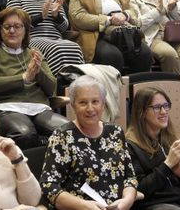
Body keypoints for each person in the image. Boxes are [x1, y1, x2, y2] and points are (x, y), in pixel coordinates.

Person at [40, 75, 137, 209]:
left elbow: (130, 178)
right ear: (73, 106)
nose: (90, 108)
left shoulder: (116, 132)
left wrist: (127, 200)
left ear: (103, 104)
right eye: (83, 103)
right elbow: (48, 186)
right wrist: (83, 205)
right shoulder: (62, 137)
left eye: (95, 101)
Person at [0, 7, 68, 150]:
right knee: (25, 134)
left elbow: (51, 88)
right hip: (8, 108)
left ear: (25, 30)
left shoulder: (34, 53)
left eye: (17, 26)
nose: (12, 31)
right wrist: (24, 78)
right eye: (7, 27)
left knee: (67, 131)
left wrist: (38, 72)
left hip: (40, 108)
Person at [69, 0, 152, 73]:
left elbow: (133, 10)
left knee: (145, 53)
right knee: (113, 56)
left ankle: (137, 89)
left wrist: (125, 15)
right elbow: (78, 17)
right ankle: (115, 90)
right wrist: (108, 20)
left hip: (123, 33)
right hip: (96, 35)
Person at [7, 0, 84, 76]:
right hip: (31, 40)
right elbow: (14, 26)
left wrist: (56, 15)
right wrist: (40, 16)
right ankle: (56, 85)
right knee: (55, 48)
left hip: (56, 38)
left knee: (74, 47)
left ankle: (73, 84)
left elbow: (64, 27)